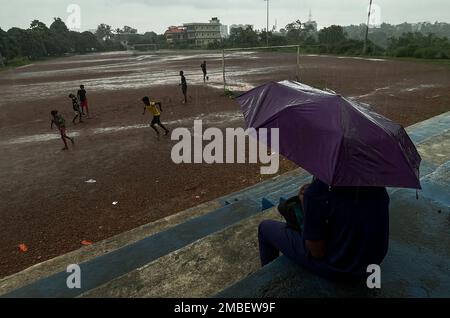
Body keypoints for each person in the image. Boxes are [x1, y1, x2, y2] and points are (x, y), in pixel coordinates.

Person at [258, 177, 390, 282]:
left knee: (265, 227)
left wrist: (307, 206)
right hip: (373, 263)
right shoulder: (376, 183)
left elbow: (317, 252)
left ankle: (268, 281)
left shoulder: (317, 192)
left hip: (340, 270)